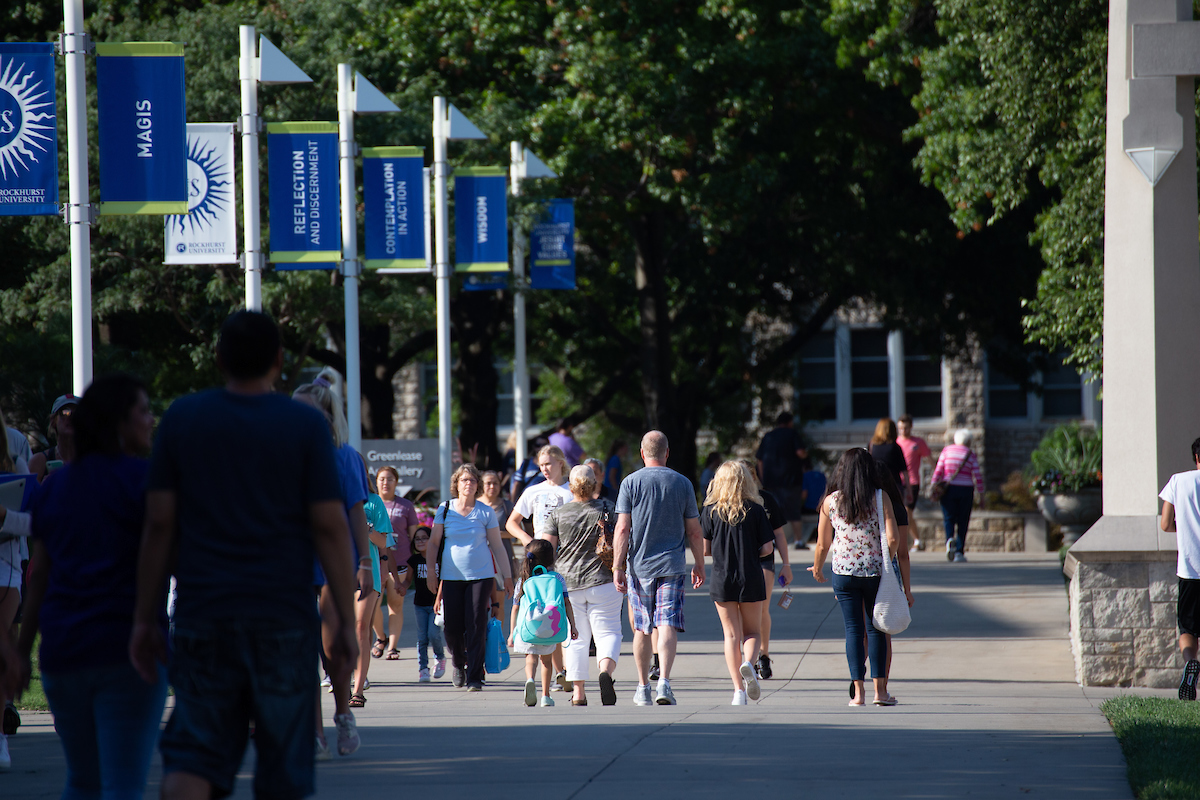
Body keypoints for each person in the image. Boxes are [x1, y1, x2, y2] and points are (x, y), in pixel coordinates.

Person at [129, 311, 359, 799]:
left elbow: (159, 525)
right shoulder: (303, 426)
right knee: (284, 766)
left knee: (195, 753)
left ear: (217, 358)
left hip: (203, 611)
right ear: (278, 361)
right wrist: (342, 618)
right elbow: (329, 525)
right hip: (283, 615)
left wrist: (145, 616)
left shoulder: (183, 420)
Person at [15, 374, 167, 792]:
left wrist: (22, 652)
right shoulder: (147, 482)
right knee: (123, 782)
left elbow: (39, 573)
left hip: (64, 654)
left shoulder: (55, 486)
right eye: (142, 411)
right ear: (119, 421)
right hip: (129, 653)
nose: (150, 420)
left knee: (82, 780)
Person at [294, 370, 379, 722]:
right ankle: (314, 728)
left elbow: (356, 512)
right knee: (301, 649)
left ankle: (343, 711)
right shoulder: (283, 455)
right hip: (293, 561)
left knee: (333, 644)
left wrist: (365, 562)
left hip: (333, 560)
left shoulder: (345, 457)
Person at [809, 448, 910, 707]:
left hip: (843, 573)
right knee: (875, 629)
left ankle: (859, 694)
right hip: (875, 572)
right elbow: (893, 538)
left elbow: (822, 544)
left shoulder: (830, 502)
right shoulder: (880, 497)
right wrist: (882, 556)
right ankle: (881, 693)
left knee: (853, 631)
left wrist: (818, 568)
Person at [613, 431, 704, 706]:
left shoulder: (630, 483)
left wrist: (617, 565)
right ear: (667, 452)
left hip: (639, 566)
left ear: (643, 453)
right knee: (667, 624)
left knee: (641, 629)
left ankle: (642, 688)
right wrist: (699, 563)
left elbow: (622, 528)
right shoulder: (683, 483)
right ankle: (664, 682)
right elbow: (694, 530)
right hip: (672, 565)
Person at [427, 464, 513, 691]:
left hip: (481, 576)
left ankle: (475, 676)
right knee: (452, 627)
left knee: (476, 623)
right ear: (457, 484)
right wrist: (431, 574)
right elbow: (434, 543)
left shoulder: (485, 512)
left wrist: (507, 577)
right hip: (451, 576)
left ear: (477, 486)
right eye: (464, 480)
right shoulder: (445, 509)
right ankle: (458, 662)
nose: (469, 483)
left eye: (473, 480)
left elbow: (497, 546)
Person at [543, 465, 623, 706]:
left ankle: (578, 693)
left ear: (571, 485)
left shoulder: (558, 514)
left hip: (568, 584)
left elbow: (547, 549)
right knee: (608, 632)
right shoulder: (608, 509)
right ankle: (605, 672)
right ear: (594, 484)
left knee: (574, 638)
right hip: (604, 580)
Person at [702, 462, 776, 706]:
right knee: (752, 631)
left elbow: (705, 549)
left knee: (731, 635)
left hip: (722, 578)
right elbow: (767, 547)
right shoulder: (755, 510)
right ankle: (749, 664)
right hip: (751, 576)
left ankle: (737, 691)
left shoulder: (711, 511)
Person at [739, 460, 792, 680]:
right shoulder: (731, 501)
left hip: (763, 562)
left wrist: (786, 564)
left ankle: (763, 656)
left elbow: (778, 533)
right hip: (738, 562)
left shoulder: (766, 499)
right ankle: (745, 660)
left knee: (761, 609)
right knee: (740, 614)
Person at [0, 404, 32, 769]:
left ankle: (2, 738)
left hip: (7, 564)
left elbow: (31, 519)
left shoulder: (15, 445)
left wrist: (4, 517)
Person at [510, 539, 578, 707]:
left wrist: (512, 632)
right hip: (549, 627)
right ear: (551, 558)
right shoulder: (557, 578)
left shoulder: (523, 579)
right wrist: (573, 626)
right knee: (546, 661)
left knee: (530, 658)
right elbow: (567, 603)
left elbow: (515, 609)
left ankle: (530, 680)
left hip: (528, 627)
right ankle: (546, 696)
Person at [1157, 438, 1200, 700]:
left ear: (1196, 457)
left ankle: (1189, 662)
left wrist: (1181, 528)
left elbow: (1164, 524)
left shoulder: (1178, 481)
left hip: (1190, 568)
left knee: (1188, 627)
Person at [373, 465, 418, 660]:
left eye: (390, 479)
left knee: (395, 605)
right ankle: (380, 637)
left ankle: (392, 647)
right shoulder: (370, 504)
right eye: (382, 479)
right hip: (376, 562)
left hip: (400, 562)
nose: (386, 482)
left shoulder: (406, 506)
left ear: (396, 482)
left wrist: (412, 564)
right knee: (372, 605)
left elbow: (414, 537)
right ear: (376, 482)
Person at [396, 526, 445, 682]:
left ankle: (440, 658)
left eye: (424, 537)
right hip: (419, 605)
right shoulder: (414, 560)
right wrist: (402, 586)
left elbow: (445, 579)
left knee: (433, 634)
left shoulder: (440, 559)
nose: (421, 541)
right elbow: (408, 580)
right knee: (422, 637)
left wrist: (439, 598)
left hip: (436, 605)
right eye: (417, 538)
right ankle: (423, 669)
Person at [930, 429, 985, 562]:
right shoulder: (970, 454)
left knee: (948, 517)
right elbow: (977, 475)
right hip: (966, 490)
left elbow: (938, 470)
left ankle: (949, 540)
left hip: (948, 490)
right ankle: (959, 551)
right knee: (963, 520)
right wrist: (981, 493)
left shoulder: (946, 451)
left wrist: (933, 486)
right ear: (968, 441)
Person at [756, 412, 808, 546]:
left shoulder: (768, 437)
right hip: (790, 480)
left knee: (771, 511)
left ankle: (771, 540)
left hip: (771, 481)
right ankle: (798, 540)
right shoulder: (793, 434)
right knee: (794, 512)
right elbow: (800, 453)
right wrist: (806, 455)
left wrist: (762, 479)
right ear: (790, 422)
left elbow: (760, 460)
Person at [481, 470, 516, 634]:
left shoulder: (506, 506)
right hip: (479, 557)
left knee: (500, 600)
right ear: (482, 485)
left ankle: (497, 638)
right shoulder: (475, 504)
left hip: (501, 557)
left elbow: (516, 532)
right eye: (488, 483)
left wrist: (496, 534)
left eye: (495, 483)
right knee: (480, 600)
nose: (492, 486)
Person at [896, 414, 933, 550]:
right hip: (898, 482)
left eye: (905, 428)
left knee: (907, 512)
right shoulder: (896, 443)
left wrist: (937, 475)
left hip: (913, 482)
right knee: (901, 513)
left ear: (911, 427)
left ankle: (911, 542)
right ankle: (917, 540)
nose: (903, 431)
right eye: (900, 428)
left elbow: (929, 458)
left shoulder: (918, 443)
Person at [29, 394, 78, 482]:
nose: (71, 417)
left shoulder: (94, 461)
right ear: (53, 421)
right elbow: (27, 494)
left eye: (78, 413)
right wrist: (44, 488)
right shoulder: (39, 462)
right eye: (65, 412)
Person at [868, 418, 909, 501]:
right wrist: (909, 489)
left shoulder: (872, 445)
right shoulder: (894, 447)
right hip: (893, 484)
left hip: (876, 484)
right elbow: (904, 470)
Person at [510, 435, 549, 503]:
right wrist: (512, 504)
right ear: (534, 447)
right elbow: (517, 483)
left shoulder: (553, 464)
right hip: (527, 501)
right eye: (538, 445)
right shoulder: (527, 463)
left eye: (544, 445)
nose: (541, 448)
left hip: (545, 500)